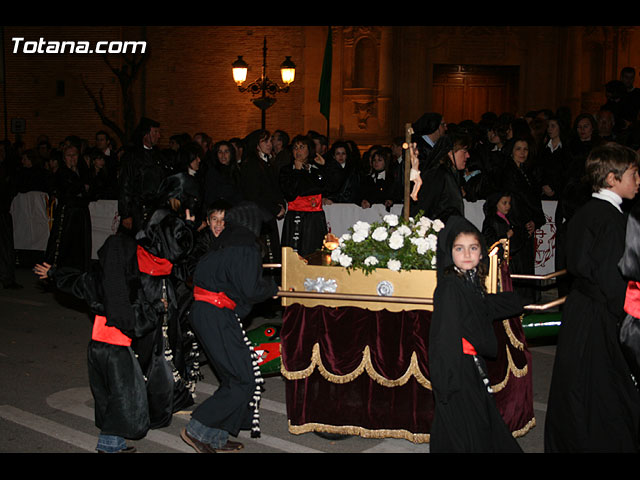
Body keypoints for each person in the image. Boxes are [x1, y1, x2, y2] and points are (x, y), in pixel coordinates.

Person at [544, 143, 640, 452]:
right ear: (612, 178)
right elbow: (614, 281)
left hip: (579, 310)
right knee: (607, 391)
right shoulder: (614, 221)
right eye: (634, 174)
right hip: (602, 315)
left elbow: (577, 263)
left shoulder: (585, 211)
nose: (638, 181)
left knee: (578, 387)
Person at [34, 233, 163, 453]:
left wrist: (53, 273)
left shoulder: (96, 279)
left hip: (96, 347)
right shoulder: (128, 286)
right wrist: (159, 307)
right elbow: (137, 323)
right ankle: (108, 445)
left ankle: (115, 443)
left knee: (108, 396)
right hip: (117, 349)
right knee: (126, 400)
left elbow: (74, 282)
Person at [180, 202, 278, 453]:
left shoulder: (224, 244)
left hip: (209, 312)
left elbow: (235, 288)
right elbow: (251, 290)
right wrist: (273, 288)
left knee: (236, 374)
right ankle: (198, 429)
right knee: (243, 378)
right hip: (215, 314)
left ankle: (217, 436)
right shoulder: (244, 246)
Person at [429, 215, 525, 453]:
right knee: (467, 427)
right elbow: (444, 336)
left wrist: (516, 301)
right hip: (457, 370)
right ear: (449, 253)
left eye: (473, 248)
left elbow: (482, 306)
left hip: (469, 367)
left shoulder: (468, 281)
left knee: (474, 424)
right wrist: (447, 382)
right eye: (459, 249)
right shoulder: (450, 287)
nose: (467, 254)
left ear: (481, 252)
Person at [44, 143, 92, 272]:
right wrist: (81, 187)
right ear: (64, 158)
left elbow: (90, 190)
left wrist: (82, 188)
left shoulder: (83, 170)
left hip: (81, 212)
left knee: (80, 243)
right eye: (69, 156)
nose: (72, 158)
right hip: (68, 212)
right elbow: (68, 190)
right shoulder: (61, 172)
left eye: (74, 155)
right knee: (61, 242)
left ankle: (79, 270)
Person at [118, 117, 170, 235]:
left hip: (156, 210)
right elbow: (125, 185)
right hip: (138, 211)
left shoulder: (158, 156)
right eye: (155, 132)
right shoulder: (132, 157)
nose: (159, 136)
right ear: (146, 134)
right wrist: (126, 214)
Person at [279, 134, 328, 257]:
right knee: (294, 254)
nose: (298, 151)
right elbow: (290, 193)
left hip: (314, 218)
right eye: (295, 148)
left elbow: (325, 186)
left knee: (314, 253)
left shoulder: (315, 169)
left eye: (302, 147)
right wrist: (297, 171)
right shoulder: (287, 170)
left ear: (309, 150)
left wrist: (322, 168)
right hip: (295, 216)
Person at [410, 130, 471, 222]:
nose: (468, 155)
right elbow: (425, 207)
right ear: (450, 152)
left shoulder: (450, 174)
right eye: (464, 151)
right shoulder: (438, 175)